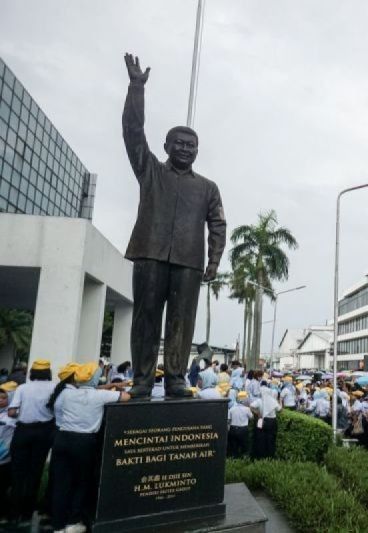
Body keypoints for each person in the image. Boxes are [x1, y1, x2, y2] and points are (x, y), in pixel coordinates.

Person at [121, 53, 226, 399]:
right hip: (150, 254)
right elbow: (133, 132)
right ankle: (142, 380)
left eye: (191, 145)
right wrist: (137, 89)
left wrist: (213, 261)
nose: (184, 148)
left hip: (188, 262)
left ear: (197, 151)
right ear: (166, 146)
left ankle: (176, 378)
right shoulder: (150, 170)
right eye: (178, 143)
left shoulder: (207, 187)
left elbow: (218, 224)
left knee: (182, 324)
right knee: (145, 319)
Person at [49, 362, 129, 533]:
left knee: (61, 483)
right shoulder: (100, 396)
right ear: (94, 379)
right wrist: (115, 388)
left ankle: (58, 525)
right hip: (84, 442)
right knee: (81, 482)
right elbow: (125, 397)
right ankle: (73, 522)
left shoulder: (66, 394)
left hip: (62, 439)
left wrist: (109, 385)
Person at [8, 359, 56, 524]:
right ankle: (27, 514)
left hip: (23, 431)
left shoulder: (23, 388)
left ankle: (14, 513)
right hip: (44, 432)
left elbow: (12, 412)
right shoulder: (54, 387)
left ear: (32, 372)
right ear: (48, 372)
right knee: (35, 472)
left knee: (17, 473)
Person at [0, 382, 17, 523]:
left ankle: (5, 515)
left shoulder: (12, 416)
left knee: (3, 488)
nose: (0, 400)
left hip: (5, 458)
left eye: (4, 398)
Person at [250, 385, 280, 459]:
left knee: (259, 438)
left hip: (261, 419)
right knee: (271, 439)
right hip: (272, 421)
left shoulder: (259, 400)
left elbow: (251, 406)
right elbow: (280, 410)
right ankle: (270, 457)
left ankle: (259, 456)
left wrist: (258, 413)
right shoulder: (273, 401)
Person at [227, 391, 252, 458]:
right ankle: (244, 460)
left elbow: (228, 420)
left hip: (233, 429)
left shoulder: (232, 409)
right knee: (245, 447)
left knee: (234, 447)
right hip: (243, 429)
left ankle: (234, 460)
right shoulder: (247, 409)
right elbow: (251, 417)